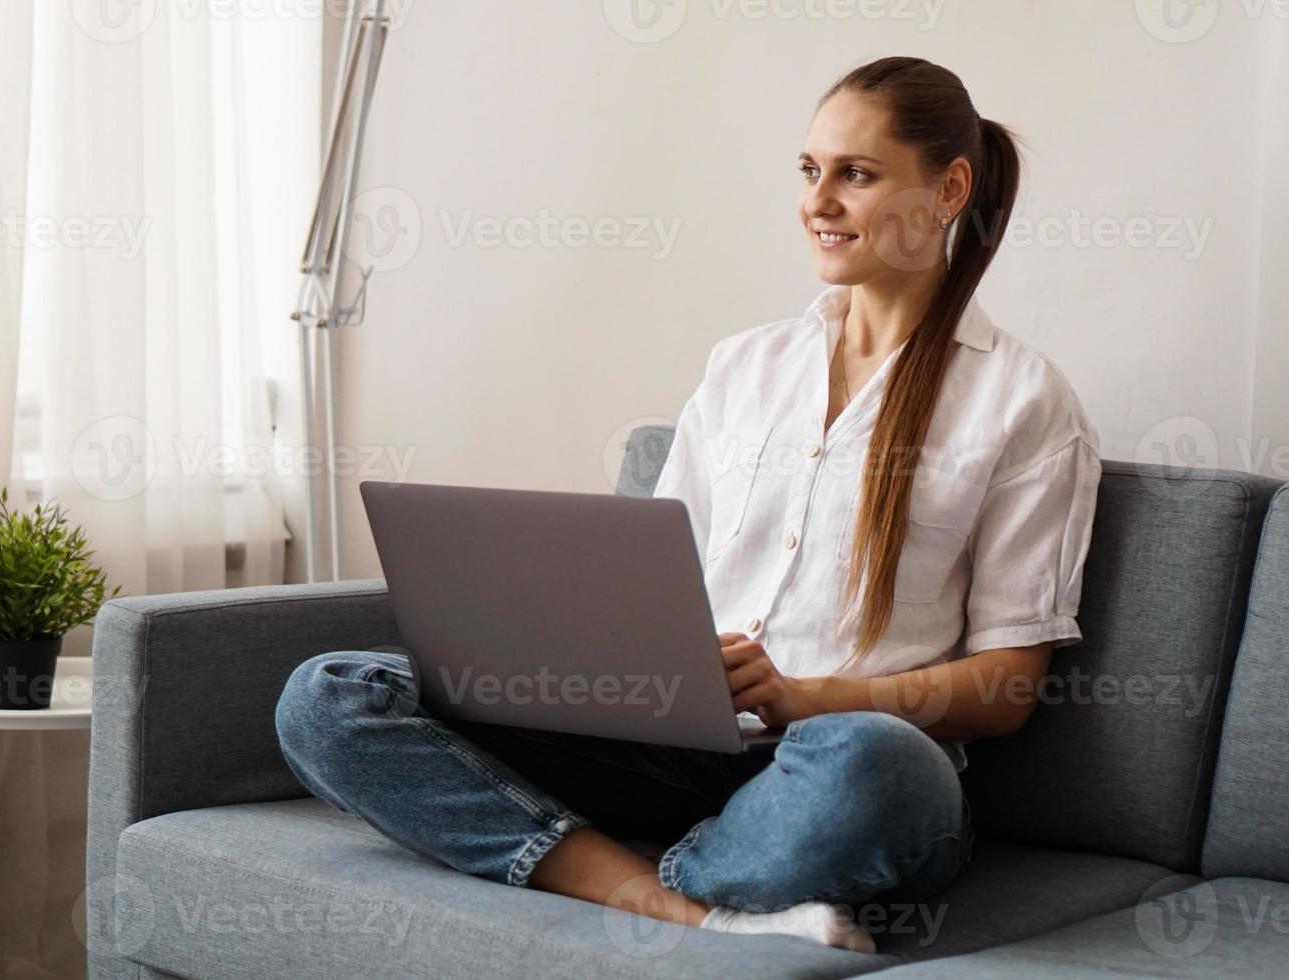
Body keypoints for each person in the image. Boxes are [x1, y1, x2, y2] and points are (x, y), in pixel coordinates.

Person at [275, 56, 1102, 952]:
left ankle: (646, 875)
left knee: (878, 761)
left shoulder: (1024, 403)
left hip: (833, 776)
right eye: (809, 170)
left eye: (855, 175)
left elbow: (1008, 687)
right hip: (671, 746)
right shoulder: (743, 368)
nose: (817, 201)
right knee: (331, 695)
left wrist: (807, 697)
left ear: (949, 190)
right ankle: (678, 906)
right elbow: (652, 581)